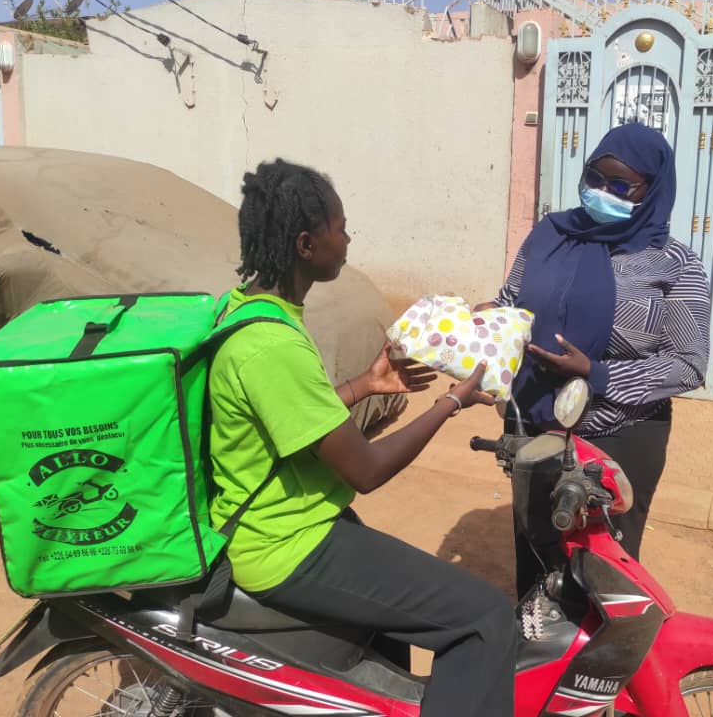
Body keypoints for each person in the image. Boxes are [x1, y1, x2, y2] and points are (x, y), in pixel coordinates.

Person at [208, 159, 515, 717]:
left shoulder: (249, 311)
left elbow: (292, 415)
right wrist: (452, 403)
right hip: (285, 545)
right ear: (307, 244)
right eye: (340, 227)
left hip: (293, 522)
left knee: (398, 628)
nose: (347, 239)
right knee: (485, 618)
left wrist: (364, 385)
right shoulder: (272, 345)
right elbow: (367, 471)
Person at [477, 123, 710, 596]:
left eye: (620, 186)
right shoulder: (550, 235)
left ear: (652, 190)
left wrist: (597, 374)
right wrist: (487, 321)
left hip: (618, 434)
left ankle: (598, 668)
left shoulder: (675, 263)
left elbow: (688, 363)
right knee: (537, 553)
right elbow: (510, 303)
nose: (602, 192)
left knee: (603, 567)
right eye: (595, 178)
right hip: (536, 426)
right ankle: (533, 656)